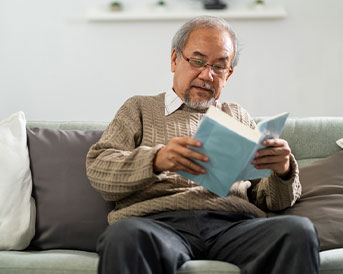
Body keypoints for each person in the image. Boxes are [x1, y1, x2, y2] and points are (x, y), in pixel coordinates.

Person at [86, 16, 320, 274]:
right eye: (197, 61)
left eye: (219, 67)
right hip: (157, 224)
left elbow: (269, 199)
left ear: (229, 74)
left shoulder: (238, 116)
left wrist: (283, 171)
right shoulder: (139, 108)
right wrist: (156, 160)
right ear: (175, 60)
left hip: (233, 225)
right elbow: (100, 170)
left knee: (297, 231)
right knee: (124, 236)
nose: (207, 75)